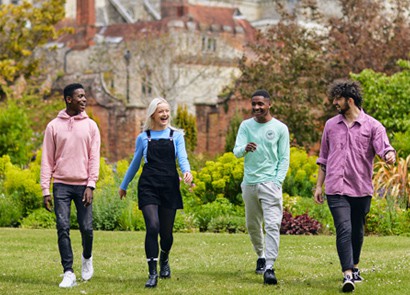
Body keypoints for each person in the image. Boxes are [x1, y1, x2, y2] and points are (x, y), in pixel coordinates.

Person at [314, 79, 396, 293]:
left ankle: (356, 265)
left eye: (338, 99)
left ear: (350, 100)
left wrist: (389, 155)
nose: (334, 102)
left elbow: (384, 147)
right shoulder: (331, 125)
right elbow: (323, 158)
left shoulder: (373, 126)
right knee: (344, 228)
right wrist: (318, 186)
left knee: (357, 232)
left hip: (360, 188)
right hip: (336, 188)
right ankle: (347, 274)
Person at [118, 97, 193, 288]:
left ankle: (164, 258)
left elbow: (182, 158)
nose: (165, 114)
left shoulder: (176, 136)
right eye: (161, 111)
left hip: (169, 186)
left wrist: (187, 172)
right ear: (153, 114)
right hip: (148, 185)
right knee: (152, 226)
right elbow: (136, 163)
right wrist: (124, 185)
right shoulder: (144, 137)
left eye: (167, 111)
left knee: (166, 234)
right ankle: (152, 273)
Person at [41, 83, 101, 288]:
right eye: (80, 97)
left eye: (85, 96)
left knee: (86, 229)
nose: (84, 100)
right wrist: (45, 189)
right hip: (61, 186)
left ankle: (87, 258)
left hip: (83, 185)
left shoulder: (91, 126)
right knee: (62, 227)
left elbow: (94, 158)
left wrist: (91, 185)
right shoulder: (53, 126)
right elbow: (47, 159)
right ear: (68, 99)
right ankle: (68, 271)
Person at [233, 89, 290, 285]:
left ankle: (270, 267)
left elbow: (284, 158)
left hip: (270, 184)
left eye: (260, 104)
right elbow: (236, 151)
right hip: (249, 183)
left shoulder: (280, 128)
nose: (257, 107)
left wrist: (277, 181)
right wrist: (244, 148)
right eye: (254, 104)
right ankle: (261, 255)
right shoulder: (245, 126)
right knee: (252, 224)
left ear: (269, 104)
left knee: (273, 224)